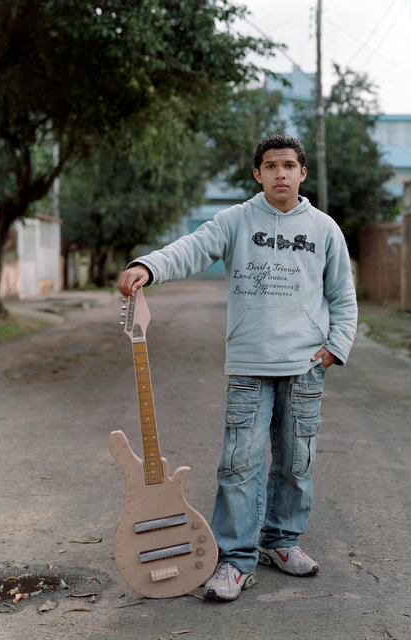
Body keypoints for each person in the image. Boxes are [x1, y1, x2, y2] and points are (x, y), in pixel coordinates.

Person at [117, 132, 357, 601]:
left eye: (289, 166)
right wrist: (147, 267)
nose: (281, 174)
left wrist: (336, 346)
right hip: (249, 363)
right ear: (258, 174)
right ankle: (235, 559)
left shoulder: (325, 229)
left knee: (295, 460)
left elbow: (342, 296)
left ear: (302, 173)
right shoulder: (236, 221)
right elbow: (191, 248)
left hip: (306, 365)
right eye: (271, 166)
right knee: (240, 463)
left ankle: (282, 542)